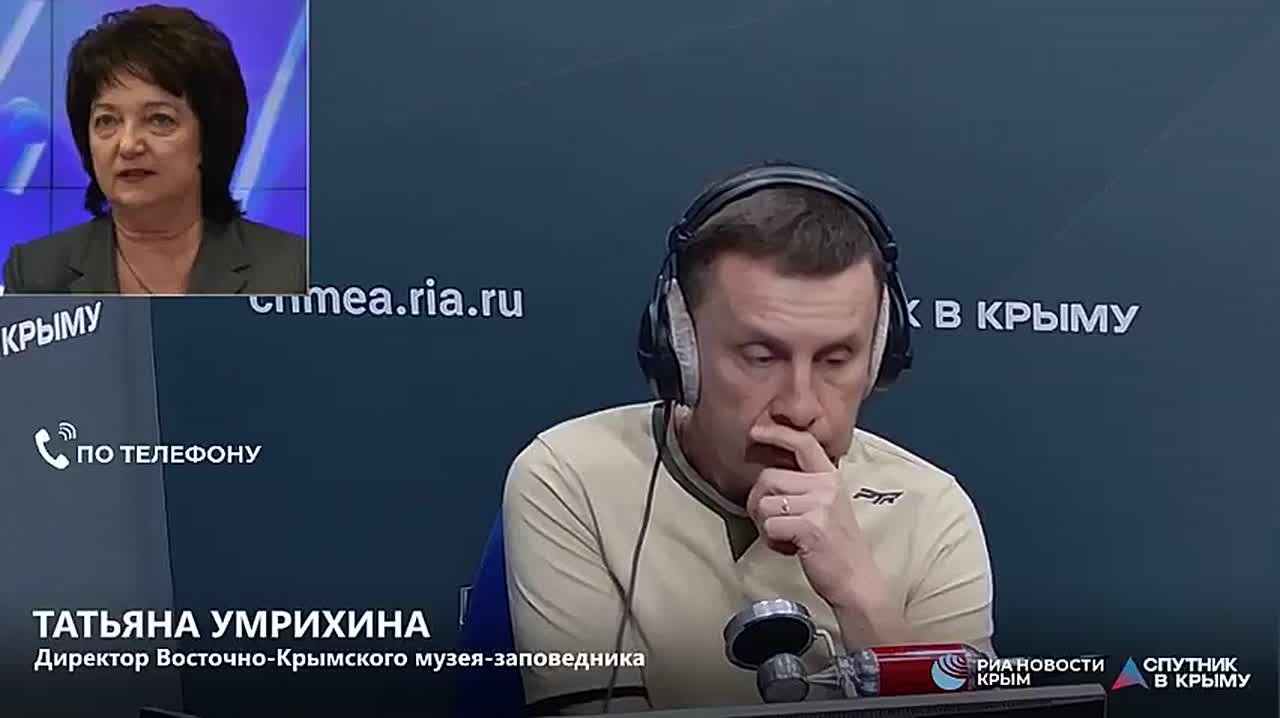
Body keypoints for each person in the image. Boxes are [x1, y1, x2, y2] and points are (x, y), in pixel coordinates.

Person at [502, 162, 996, 715]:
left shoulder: (932, 510)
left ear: (879, 357)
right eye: (761, 357)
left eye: (836, 359)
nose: (800, 406)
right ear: (682, 351)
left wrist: (861, 597)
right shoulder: (571, 476)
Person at [1, 5, 305, 295]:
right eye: (107, 121)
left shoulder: (294, 272)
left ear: (209, 137)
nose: (128, 145)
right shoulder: (36, 273)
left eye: (159, 119)